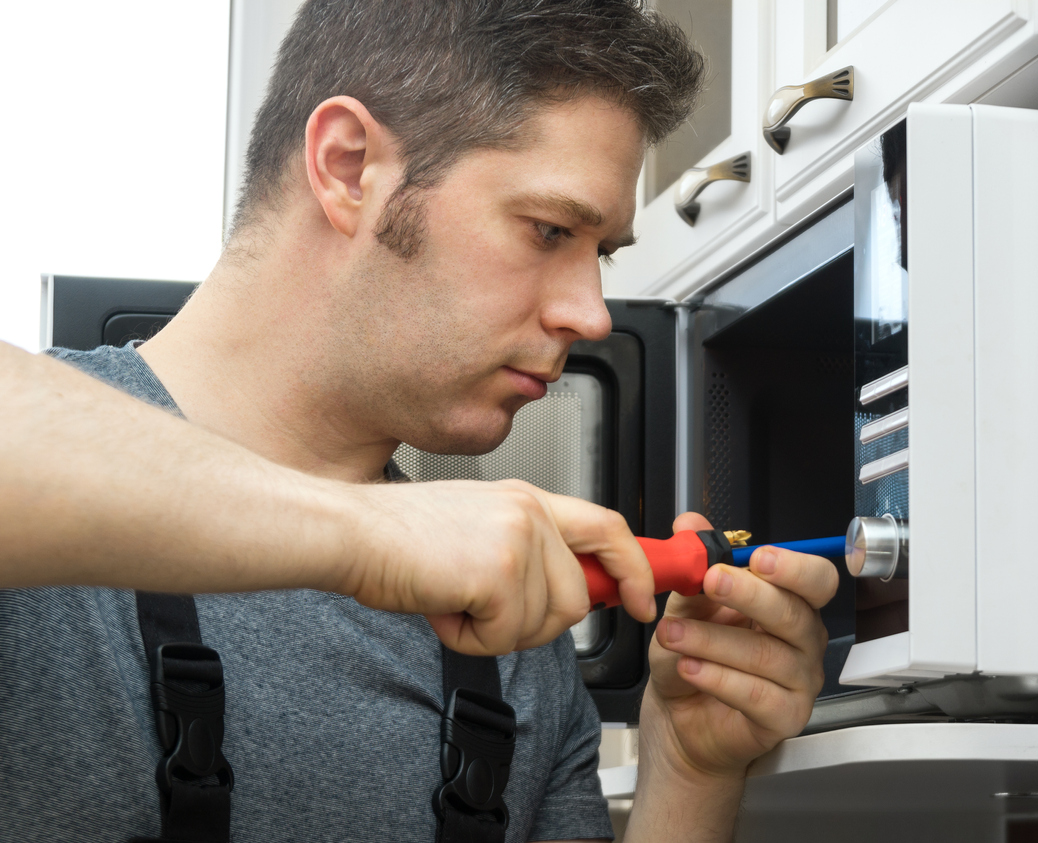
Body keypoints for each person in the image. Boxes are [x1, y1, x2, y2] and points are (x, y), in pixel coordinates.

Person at [0, 2, 839, 841]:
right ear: (348, 166)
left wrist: (690, 769)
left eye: (602, 253)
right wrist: (367, 535)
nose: (590, 313)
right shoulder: (37, 564)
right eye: (549, 229)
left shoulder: (508, 626)